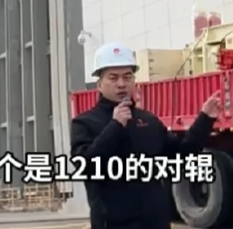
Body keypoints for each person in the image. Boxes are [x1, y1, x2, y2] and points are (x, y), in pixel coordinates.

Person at [70, 41, 221, 229]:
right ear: (99, 84)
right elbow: (86, 166)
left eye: (127, 77)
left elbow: (182, 155)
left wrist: (205, 119)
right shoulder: (85, 123)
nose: (121, 84)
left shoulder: (148, 121)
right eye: (113, 78)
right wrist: (115, 126)